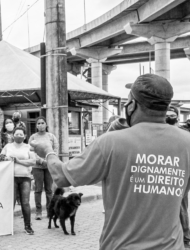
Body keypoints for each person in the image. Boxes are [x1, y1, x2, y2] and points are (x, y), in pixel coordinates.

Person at [31, 74, 190, 249]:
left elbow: (61, 177)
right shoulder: (187, 143)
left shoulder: (110, 142)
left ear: (132, 105)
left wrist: (48, 151)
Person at [0, 127, 36, 235]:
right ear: (13, 135)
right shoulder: (8, 146)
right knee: (11, 203)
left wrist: (18, 161)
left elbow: (33, 161)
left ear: (24, 136)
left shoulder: (29, 147)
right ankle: (7, 227)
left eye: (21, 134)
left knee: (25, 203)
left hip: (25, 177)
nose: (19, 136)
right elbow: (0, 158)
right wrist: (5, 159)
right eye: (17, 134)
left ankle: (28, 226)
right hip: (11, 177)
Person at [166, 106, 190, 248]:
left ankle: (185, 235)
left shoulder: (182, 136)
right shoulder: (183, 135)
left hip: (177, 176)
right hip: (176, 176)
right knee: (179, 206)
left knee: (180, 207)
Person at [28, 116, 57, 220]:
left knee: (49, 190)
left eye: (42, 123)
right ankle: (38, 212)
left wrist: (48, 161)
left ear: (46, 124)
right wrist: (41, 161)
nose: (40, 125)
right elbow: (30, 152)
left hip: (49, 166)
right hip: (37, 167)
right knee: (38, 189)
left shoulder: (51, 136)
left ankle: (50, 211)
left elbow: (55, 151)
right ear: (36, 126)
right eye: (38, 123)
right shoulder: (33, 137)